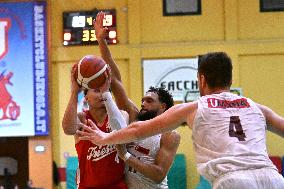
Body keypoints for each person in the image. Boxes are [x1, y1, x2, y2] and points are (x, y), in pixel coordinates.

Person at [77, 52, 284, 189]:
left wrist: (105, 138)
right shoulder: (257, 108)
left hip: (233, 180)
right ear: (230, 80)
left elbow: (139, 130)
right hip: (273, 178)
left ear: (201, 79)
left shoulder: (194, 107)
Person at [92, 12, 181, 189]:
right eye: (143, 100)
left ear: (162, 107)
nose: (143, 104)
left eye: (149, 101)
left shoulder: (170, 134)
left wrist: (126, 156)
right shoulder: (134, 116)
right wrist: (101, 41)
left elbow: (158, 174)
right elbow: (115, 80)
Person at [61, 56, 128, 189]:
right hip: (88, 186)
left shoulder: (121, 115)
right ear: (86, 97)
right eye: (97, 91)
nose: (102, 94)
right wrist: (74, 92)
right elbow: (68, 129)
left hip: (116, 185)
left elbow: (122, 131)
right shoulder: (82, 118)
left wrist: (106, 92)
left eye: (105, 91)